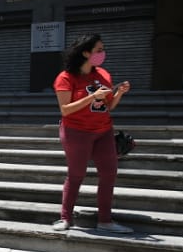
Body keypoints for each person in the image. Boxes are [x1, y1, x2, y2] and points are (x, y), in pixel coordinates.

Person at [52, 33, 132, 233]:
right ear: (85, 53)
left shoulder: (103, 75)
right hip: (76, 132)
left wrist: (119, 93)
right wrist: (91, 97)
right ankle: (65, 218)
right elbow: (65, 109)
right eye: (98, 50)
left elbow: (109, 106)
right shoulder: (66, 78)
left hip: (103, 130)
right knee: (76, 174)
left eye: (103, 50)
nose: (102, 53)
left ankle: (105, 220)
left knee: (109, 173)